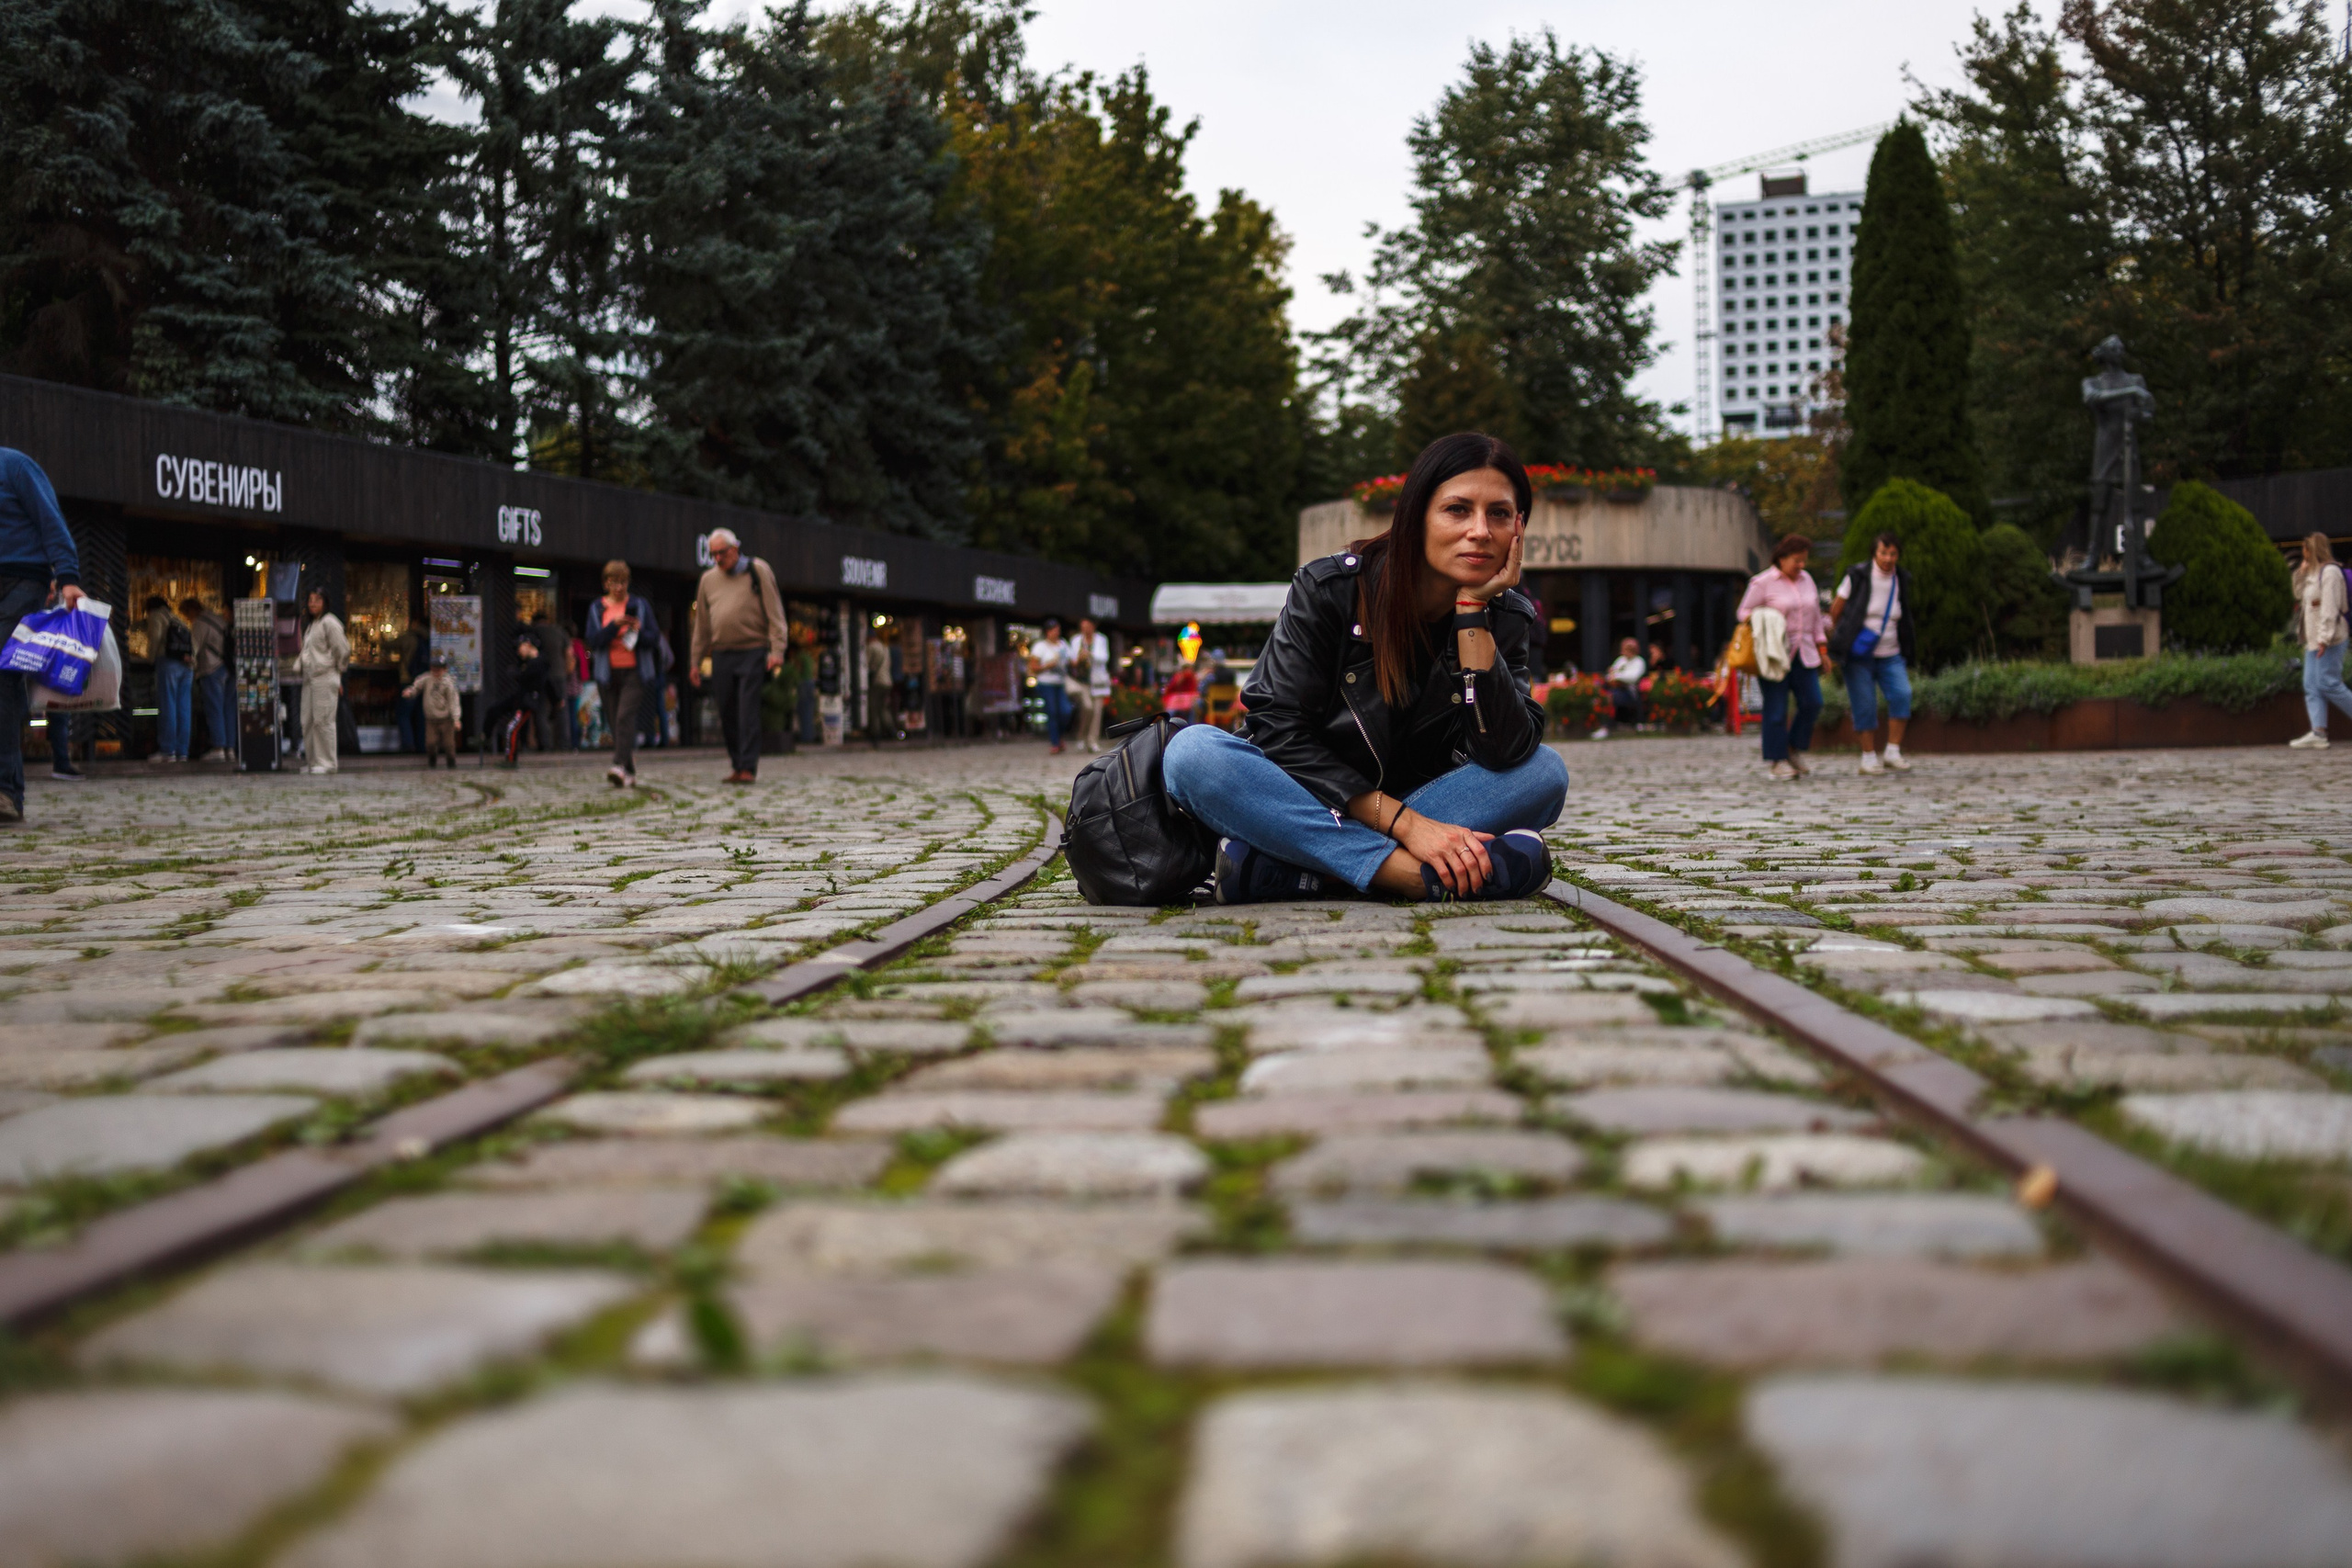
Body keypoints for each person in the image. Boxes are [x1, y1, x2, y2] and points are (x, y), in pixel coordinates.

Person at [1160, 431, 1566, 905]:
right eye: (1457, 509)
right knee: (1192, 753)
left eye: (1498, 513)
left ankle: (1303, 871)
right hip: (1315, 798)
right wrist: (1407, 827)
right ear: (1417, 516)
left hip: (1424, 803)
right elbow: (1278, 731)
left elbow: (1503, 751)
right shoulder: (1332, 589)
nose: (1480, 531)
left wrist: (1473, 615)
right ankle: (1408, 875)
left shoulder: (1506, 616)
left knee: (1544, 773)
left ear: (1518, 527)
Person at [688, 526, 786, 784]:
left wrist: (777, 650)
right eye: (713, 554)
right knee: (726, 710)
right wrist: (695, 661)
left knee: (747, 709)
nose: (718, 559)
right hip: (722, 653)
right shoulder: (708, 580)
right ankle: (737, 763)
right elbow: (702, 625)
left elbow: (775, 613)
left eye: (722, 553)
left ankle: (748, 767)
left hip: (753, 650)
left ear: (735, 549)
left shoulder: (757, 570)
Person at [1736, 535, 1829, 782]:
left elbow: (1816, 618)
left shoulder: (1807, 580)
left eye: (1804, 560)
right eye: (1797, 560)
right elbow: (1743, 612)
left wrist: (1822, 649)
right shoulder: (1762, 582)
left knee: (1812, 702)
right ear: (1782, 558)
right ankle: (1777, 761)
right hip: (1774, 654)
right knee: (1776, 709)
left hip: (1804, 653)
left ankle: (1793, 747)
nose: (1801, 565)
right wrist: (1766, 618)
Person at [1826, 531, 1917, 774]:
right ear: (1874, 553)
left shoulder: (1901, 578)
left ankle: (1892, 752)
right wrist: (1843, 636)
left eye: (1893, 554)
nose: (1888, 558)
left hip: (1891, 653)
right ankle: (1868, 757)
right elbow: (1836, 608)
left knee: (1902, 694)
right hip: (1859, 655)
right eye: (1883, 553)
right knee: (1864, 703)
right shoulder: (1857, 575)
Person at [585, 559, 657, 786]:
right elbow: (593, 640)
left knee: (624, 716)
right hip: (607, 673)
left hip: (635, 671)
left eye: (623, 582)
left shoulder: (640, 605)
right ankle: (629, 772)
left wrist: (638, 631)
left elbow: (654, 638)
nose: (619, 587)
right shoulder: (597, 608)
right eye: (614, 582)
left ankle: (618, 764)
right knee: (615, 722)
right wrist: (613, 626)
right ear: (606, 583)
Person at [2290, 532, 2352, 749]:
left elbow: (2330, 609)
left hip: (2330, 639)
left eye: (2305, 549)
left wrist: (2324, 639)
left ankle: (2319, 732)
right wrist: (2300, 572)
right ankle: (2318, 732)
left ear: (2313, 550)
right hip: (2313, 640)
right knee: (2311, 685)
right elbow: (2299, 594)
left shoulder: (2330, 573)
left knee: (2329, 683)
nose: (2303, 553)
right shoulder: (2313, 573)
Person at [482, 633, 557, 764]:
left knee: (512, 728)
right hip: (520, 699)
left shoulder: (538, 663)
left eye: (520, 647)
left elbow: (541, 681)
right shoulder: (529, 663)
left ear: (528, 645)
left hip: (527, 702)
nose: (518, 651)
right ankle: (486, 737)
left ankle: (511, 759)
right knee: (495, 711)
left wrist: (518, 673)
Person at [297, 588, 348, 775]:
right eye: (310, 600)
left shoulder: (330, 622)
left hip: (325, 676)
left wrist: (337, 672)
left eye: (317, 600)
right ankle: (313, 761)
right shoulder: (312, 625)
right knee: (308, 721)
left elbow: (342, 650)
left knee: (323, 720)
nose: (312, 603)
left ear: (325, 602)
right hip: (310, 678)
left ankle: (327, 762)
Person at [144, 595, 192, 761]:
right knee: (184, 708)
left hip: (168, 662)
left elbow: (155, 638)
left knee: (168, 705)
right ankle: (182, 751)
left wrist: (150, 658)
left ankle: (167, 750)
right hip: (187, 666)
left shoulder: (156, 616)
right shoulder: (177, 618)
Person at [187, 596, 234, 761]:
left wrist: (191, 664)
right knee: (229, 709)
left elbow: (193, 647)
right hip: (229, 668)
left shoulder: (200, 623)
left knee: (214, 708)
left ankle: (218, 746)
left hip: (212, 668)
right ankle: (230, 748)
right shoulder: (219, 620)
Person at [404, 651, 461, 767]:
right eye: (434, 668)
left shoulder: (448, 683)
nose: (436, 671)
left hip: (446, 719)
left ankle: (451, 763)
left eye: (438, 669)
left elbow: (453, 702)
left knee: (449, 744)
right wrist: (410, 692)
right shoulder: (426, 679)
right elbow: (417, 686)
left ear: (444, 669)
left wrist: (456, 718)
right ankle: (432, 761)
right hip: (431, 719)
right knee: (430, 743)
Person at [1069, 615, 1112, 752]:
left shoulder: (1101, 639)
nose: (1085, 629)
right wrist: (1079, 657)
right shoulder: (1076, 640)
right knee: (1087, 708)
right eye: (1083, 627)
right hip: (1083, 681)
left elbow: (1104, 658)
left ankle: (1093, 740)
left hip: (1098, 681)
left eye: (1087, 626)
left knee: (1097, 712)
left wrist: (1090, 655)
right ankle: (1081, 736)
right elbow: (1072, 659)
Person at [1030, 617, 1071, 754]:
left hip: (1061, 683)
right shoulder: (1040, 646)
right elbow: (1033, 667)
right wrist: (1047, 666)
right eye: (1054, 630)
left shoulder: (1063, 645)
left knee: (1066, 711)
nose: (1056, 632)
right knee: (1052, 712)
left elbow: (1071, 661)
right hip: (1046, 683)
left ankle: (1060, 736)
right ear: (1048, 632)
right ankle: (1055, 743)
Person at [392, 620, 431, 754]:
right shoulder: (429, 638)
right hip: (424, 680)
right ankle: (422, 745)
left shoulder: (409, 637)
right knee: (421, 714)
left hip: (409, 679)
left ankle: (408, 744)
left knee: (403, 713)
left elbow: (388, 644)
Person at [1598, 637, 1645, 739]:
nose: (1623, 651)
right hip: (1615, 689)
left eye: (1627, 649)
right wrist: (1614, 677)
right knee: (1602, 695)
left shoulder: (1639, 661)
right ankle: (1602, 725)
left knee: (1611, 697)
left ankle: (1607, 727)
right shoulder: (1620, 660)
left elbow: (1633, 677)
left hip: (1630, 692)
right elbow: (1610, 675)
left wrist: (1617, 676)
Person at [862, 632, 893, 742]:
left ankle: (876, 733)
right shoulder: (885, 647)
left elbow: (866, 664)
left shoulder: (871, 647)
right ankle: (891, 729)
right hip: (887, 681)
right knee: (883, 707)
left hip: (878, 681)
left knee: (874, 708)